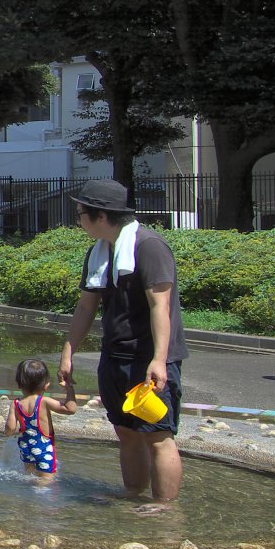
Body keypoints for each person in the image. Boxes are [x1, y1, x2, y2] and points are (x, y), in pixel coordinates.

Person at [59, 177, 189, 504]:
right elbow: (86, 305)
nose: (78, 221)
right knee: (126, 431)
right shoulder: (99, 252)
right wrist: (68, 352)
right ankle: (133, 495)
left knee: (158, 436)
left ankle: (164, 509)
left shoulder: (149, 246)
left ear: (100, 216)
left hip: (149, 360)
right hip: (115, 356)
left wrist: (159, 359)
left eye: (80, 214)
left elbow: (161, 305)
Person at [4, 357, 77, 480]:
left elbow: (10, 429)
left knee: (29, 476)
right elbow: (70, 409)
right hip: (43, 449)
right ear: (46, 385)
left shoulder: (16, 403)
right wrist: (69, 389)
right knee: (46, 480)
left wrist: (10, 433)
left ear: (18, 384)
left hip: (25, 447)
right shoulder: (44, 402)